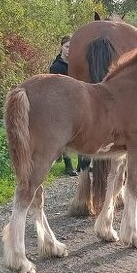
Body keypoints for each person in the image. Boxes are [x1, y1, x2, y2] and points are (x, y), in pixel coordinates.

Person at [49, 35, 78, 176]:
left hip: (77, 102)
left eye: (72, 47)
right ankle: (68, 165)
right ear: (61, 47)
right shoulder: (56, 66)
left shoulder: (77, 64)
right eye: (67, 47)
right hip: (62, 104)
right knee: (66, 135)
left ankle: (82, 164)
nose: (69, 50)